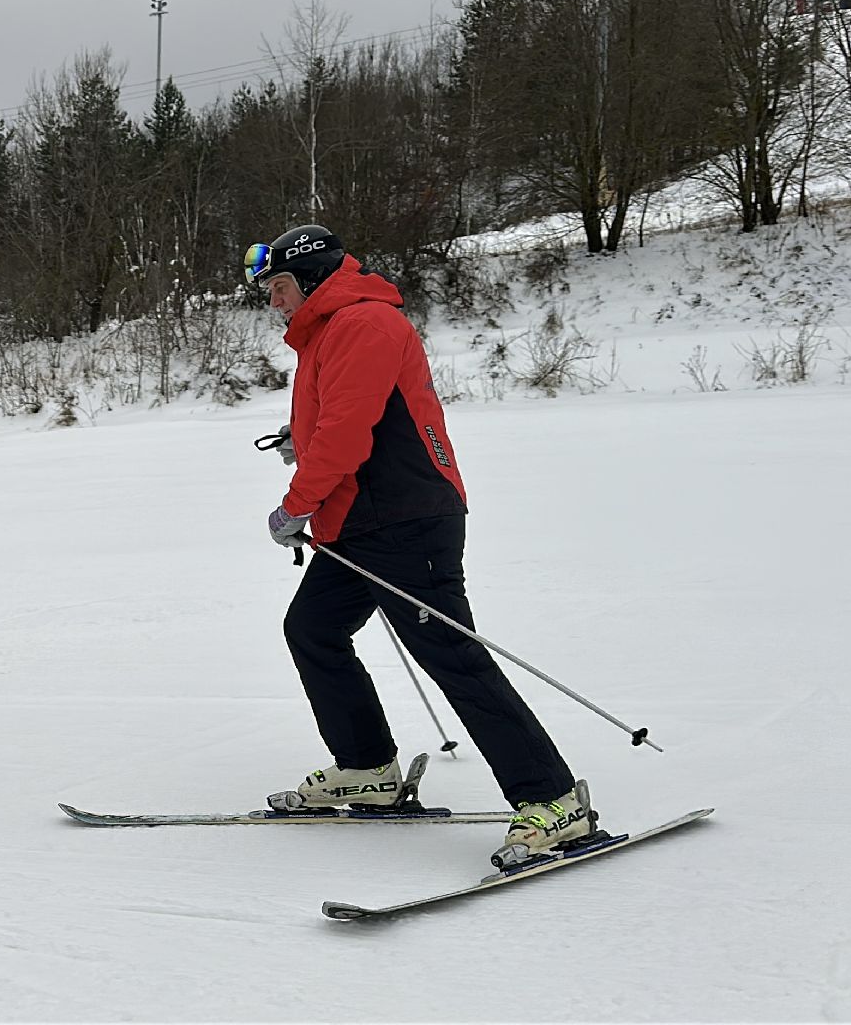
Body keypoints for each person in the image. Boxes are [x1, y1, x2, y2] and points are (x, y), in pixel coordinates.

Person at [243, 224, 592, 867]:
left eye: (280, 286)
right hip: (358, 522)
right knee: (313, 630)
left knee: (452, 655)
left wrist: (297, 503)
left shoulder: (363, 325)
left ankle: (553, 801)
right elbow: (343, 420)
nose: (273, 302)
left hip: (406, 519)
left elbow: (349, 436)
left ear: (313, 277)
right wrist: (303, 440)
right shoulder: (330, 332)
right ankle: (367, 769)